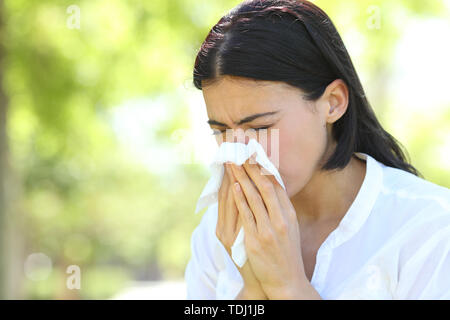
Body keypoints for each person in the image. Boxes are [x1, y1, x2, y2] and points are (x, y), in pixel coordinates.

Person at [185, 0, 450, 299]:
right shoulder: (219, 232)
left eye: (259, 128)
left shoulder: (430, 228)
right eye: (221, 131)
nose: (240, 153)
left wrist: (286, 287)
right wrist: (253, 287)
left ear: (333, 102)